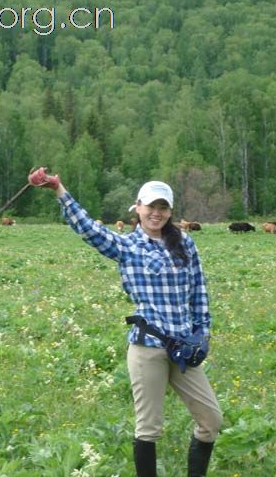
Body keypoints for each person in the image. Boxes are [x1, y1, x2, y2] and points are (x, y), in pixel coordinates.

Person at [28, 168, 222, 476]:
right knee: (149, 427)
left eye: (163, 207)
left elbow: (198, 289)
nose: (156, 213)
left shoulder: (185, 243)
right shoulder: (127, 247)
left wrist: (203, 332)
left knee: (211, 420)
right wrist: (58, 189)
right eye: (151, 207)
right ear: (138, 208)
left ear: (170, 211)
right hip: (148, 347)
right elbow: (89, 229)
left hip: (184, 346)